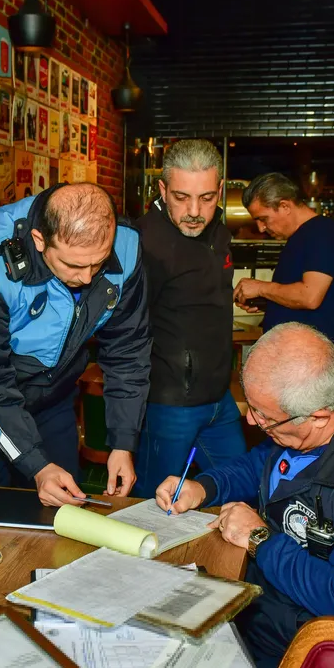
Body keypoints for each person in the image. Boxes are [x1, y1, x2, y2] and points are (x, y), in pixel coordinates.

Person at [157, 323, 334, 668]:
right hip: (269, 609)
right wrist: (205, 487)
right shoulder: (316, 423)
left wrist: (259, 539)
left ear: (318, 417)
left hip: (325, 650)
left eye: (263, 415)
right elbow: (262, 464)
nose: (250, 420)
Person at [0, 183, 149, 505]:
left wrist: (122, 443)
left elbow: (128, 351)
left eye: (99, 263)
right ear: (39, 240)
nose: (88, 278)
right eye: (74, 266)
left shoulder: (127, 246)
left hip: (56, 396)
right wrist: (36, 465)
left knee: (64, 507)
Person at [134, 139, 246, 497]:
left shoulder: (219, 232)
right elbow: (126, 331)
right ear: (162, 189)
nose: (195, 210)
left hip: (219, 398)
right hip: (169, 404)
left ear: (221, 191)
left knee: (240, 495)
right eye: (181, 198)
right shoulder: (146, 243)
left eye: (207, 198)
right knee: (157, 507)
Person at [233, 173, 334, 346]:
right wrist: (269, 301)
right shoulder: (302, 236)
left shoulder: (324, 232)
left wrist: (261, 288)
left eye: (263, 219)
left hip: (313, 358)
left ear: (284, 206)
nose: (261, 227)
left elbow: (309, 296)